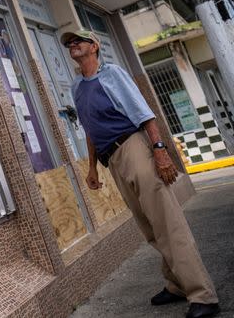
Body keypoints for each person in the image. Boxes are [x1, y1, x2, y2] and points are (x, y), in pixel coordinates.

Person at [62, 29, 219, 318]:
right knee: (149, 227)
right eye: (69, 42)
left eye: (78, 40)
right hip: (113, 159)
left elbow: (144, 113)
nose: (73, 44)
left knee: (167, 222)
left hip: (134, 149)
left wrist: (160, 152)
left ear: (94, 46)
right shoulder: (77, 87)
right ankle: (176, 285)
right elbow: (90, 129)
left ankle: (203, 295)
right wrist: (93, 167)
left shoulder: (112, 75)